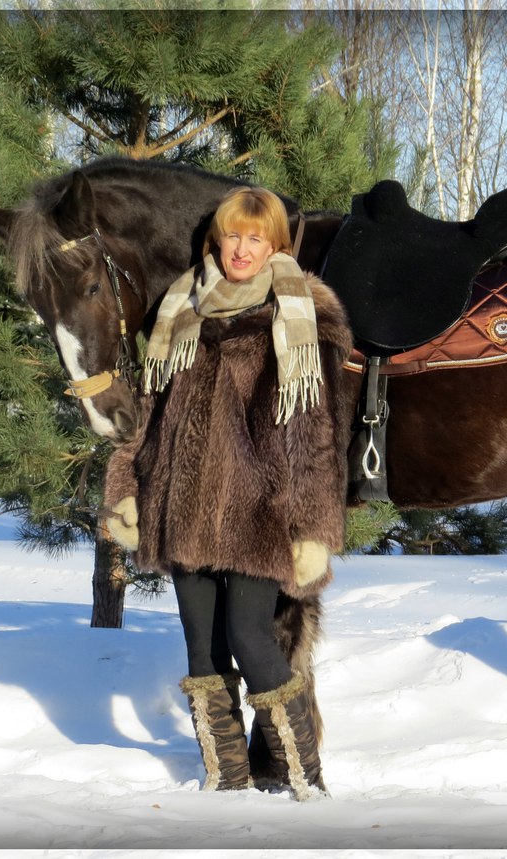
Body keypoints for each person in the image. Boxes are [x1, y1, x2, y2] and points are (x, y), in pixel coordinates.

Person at [102, 186, 353, 800]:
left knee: (249, 636)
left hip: (258, 513)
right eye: (233, 235)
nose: (242, 249)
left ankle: (304, 777)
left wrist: (314, 528)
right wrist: (125, 489)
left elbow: (316, 436)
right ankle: (226, 778)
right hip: (181, 508)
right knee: (202, 648)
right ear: (217, 240)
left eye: (256, 238)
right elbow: (148, 415)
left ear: (275, 246)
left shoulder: (299, 317)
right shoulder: (179, 310)